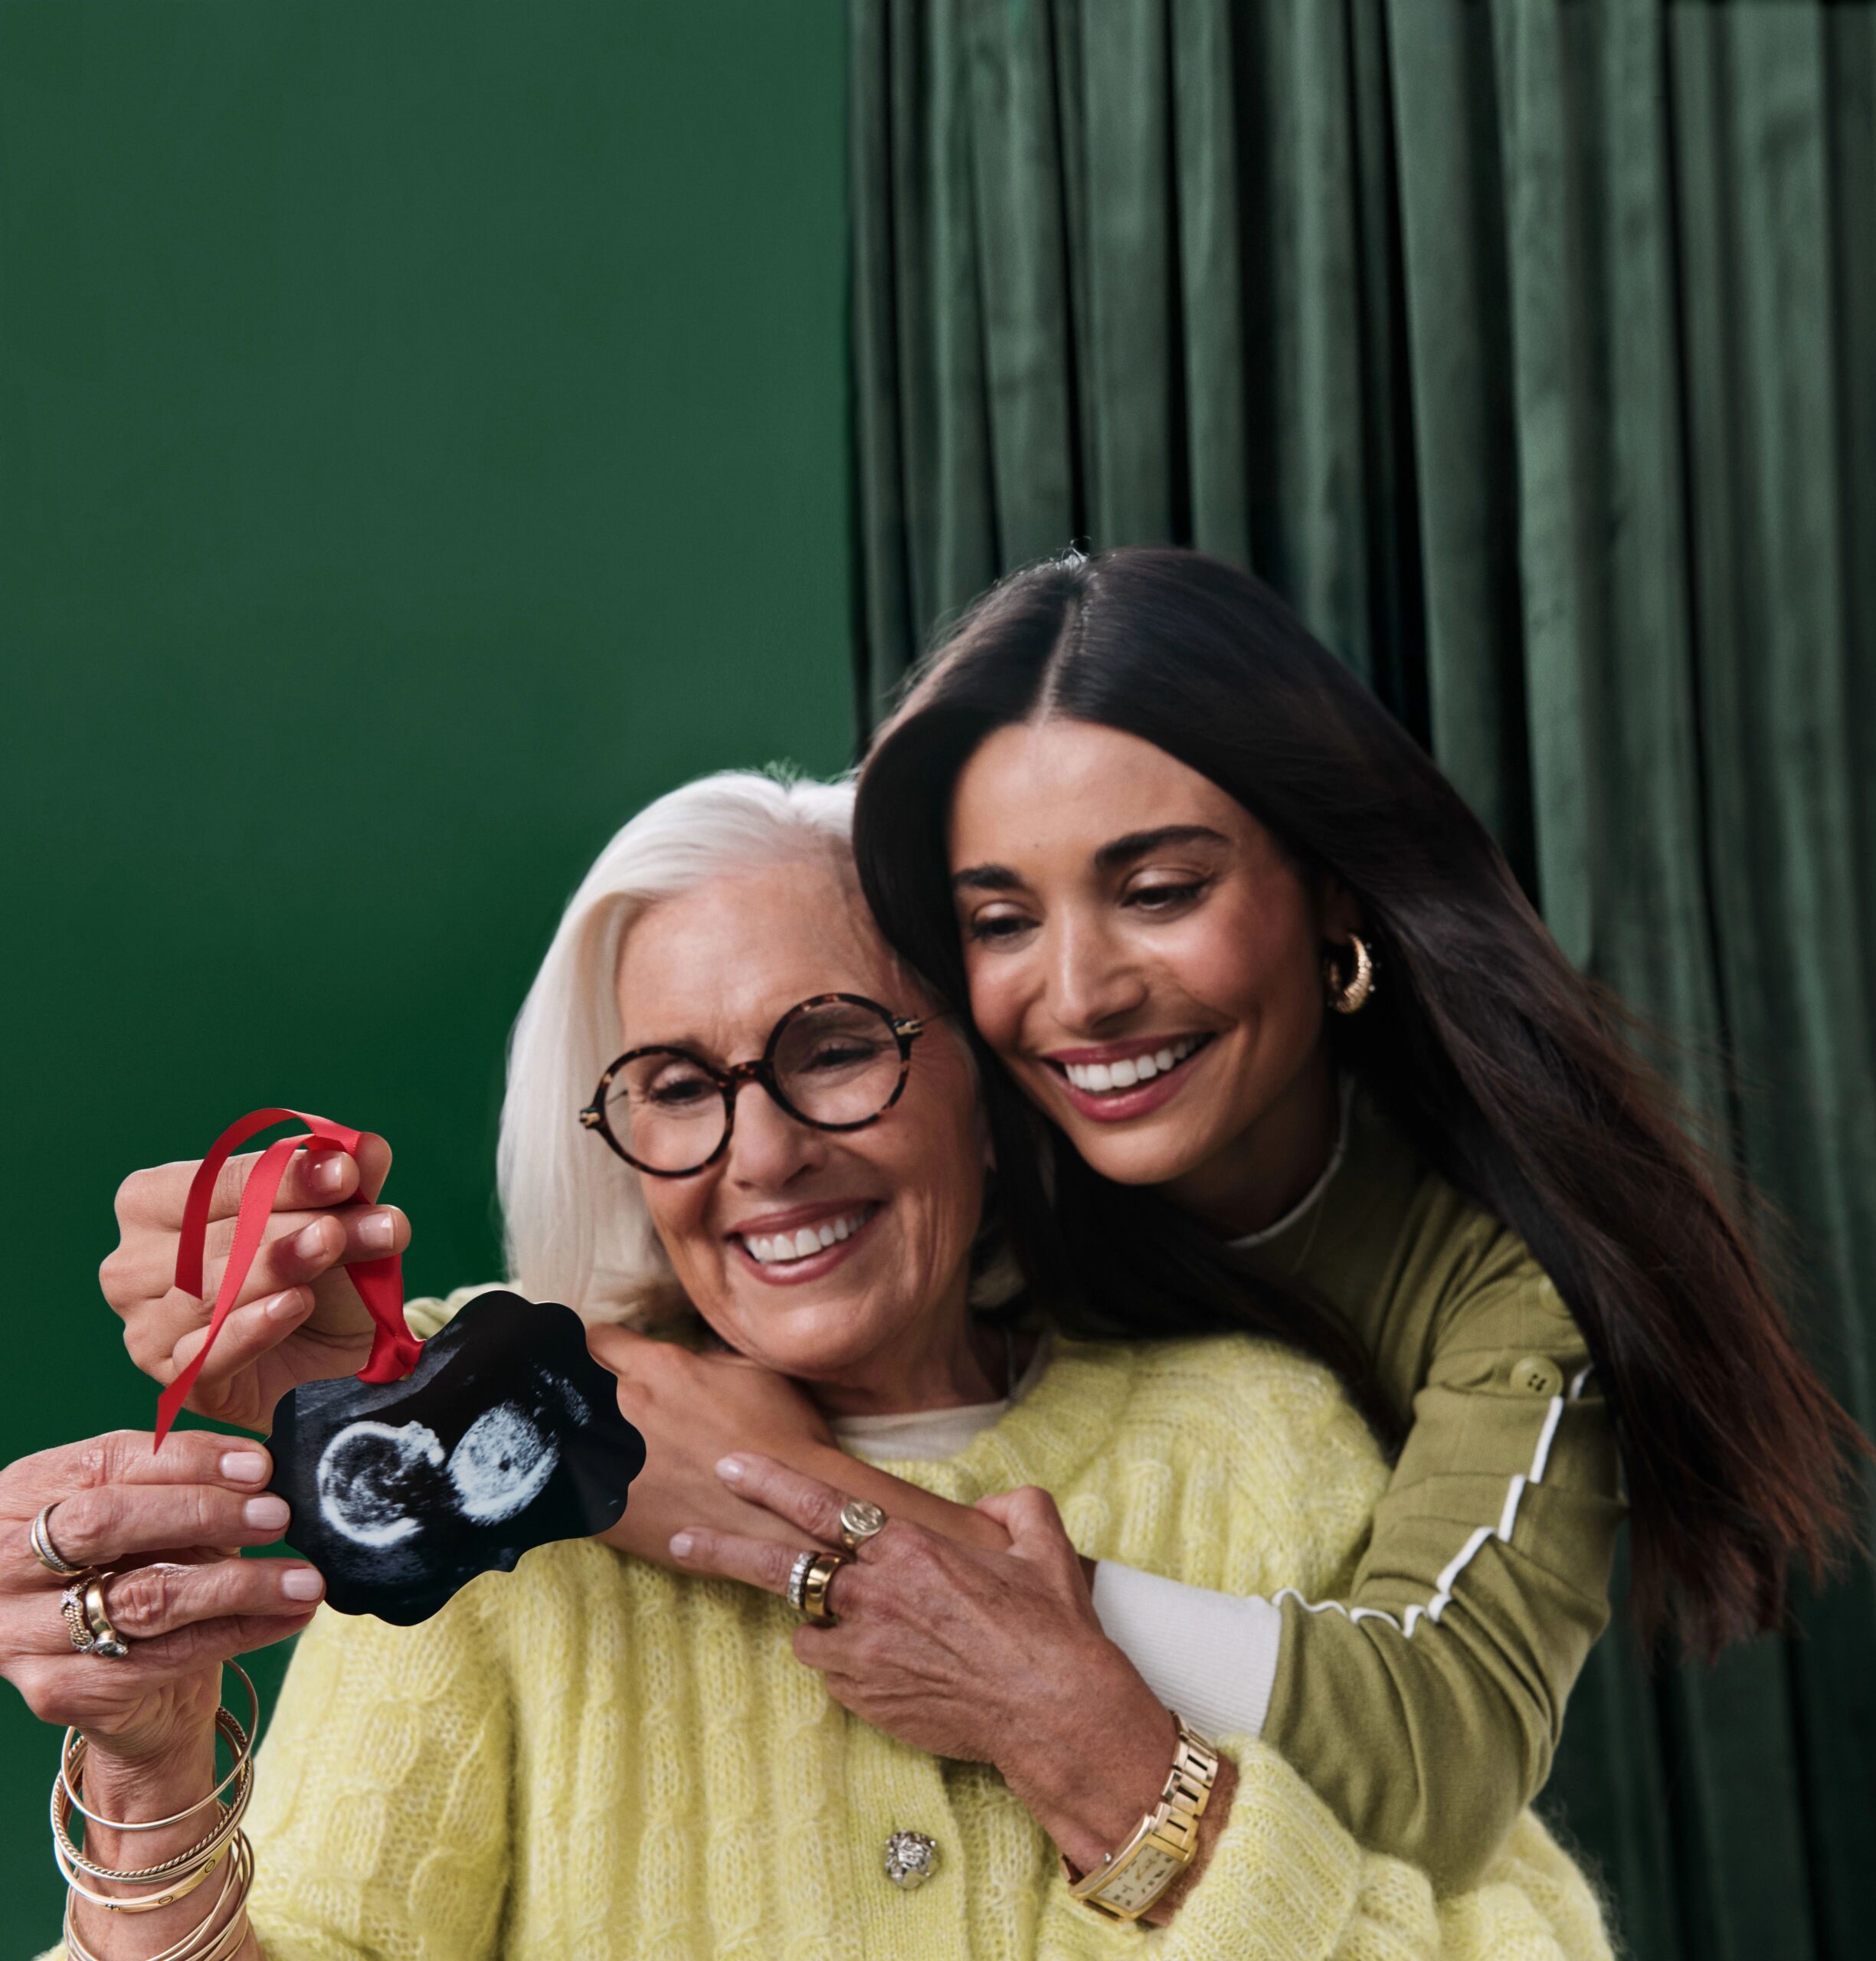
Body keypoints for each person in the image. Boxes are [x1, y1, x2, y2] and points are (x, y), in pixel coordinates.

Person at [12, 772, 1614, 1959]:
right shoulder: (506, 1491)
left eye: (836, 1044)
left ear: (986, 1081)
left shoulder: (1262, 1441)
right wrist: (150, 1777)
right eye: (672, 1084)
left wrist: (1111, 1760)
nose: (759, 1151)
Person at [846, 545, 1876, 1885]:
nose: (1080, 993)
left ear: (1329, 885)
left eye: (1159, 893)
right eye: (1000, 920)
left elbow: (1436, 1758)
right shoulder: (945, 1188)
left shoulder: (1515, 1286)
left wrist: (1008, 1612)